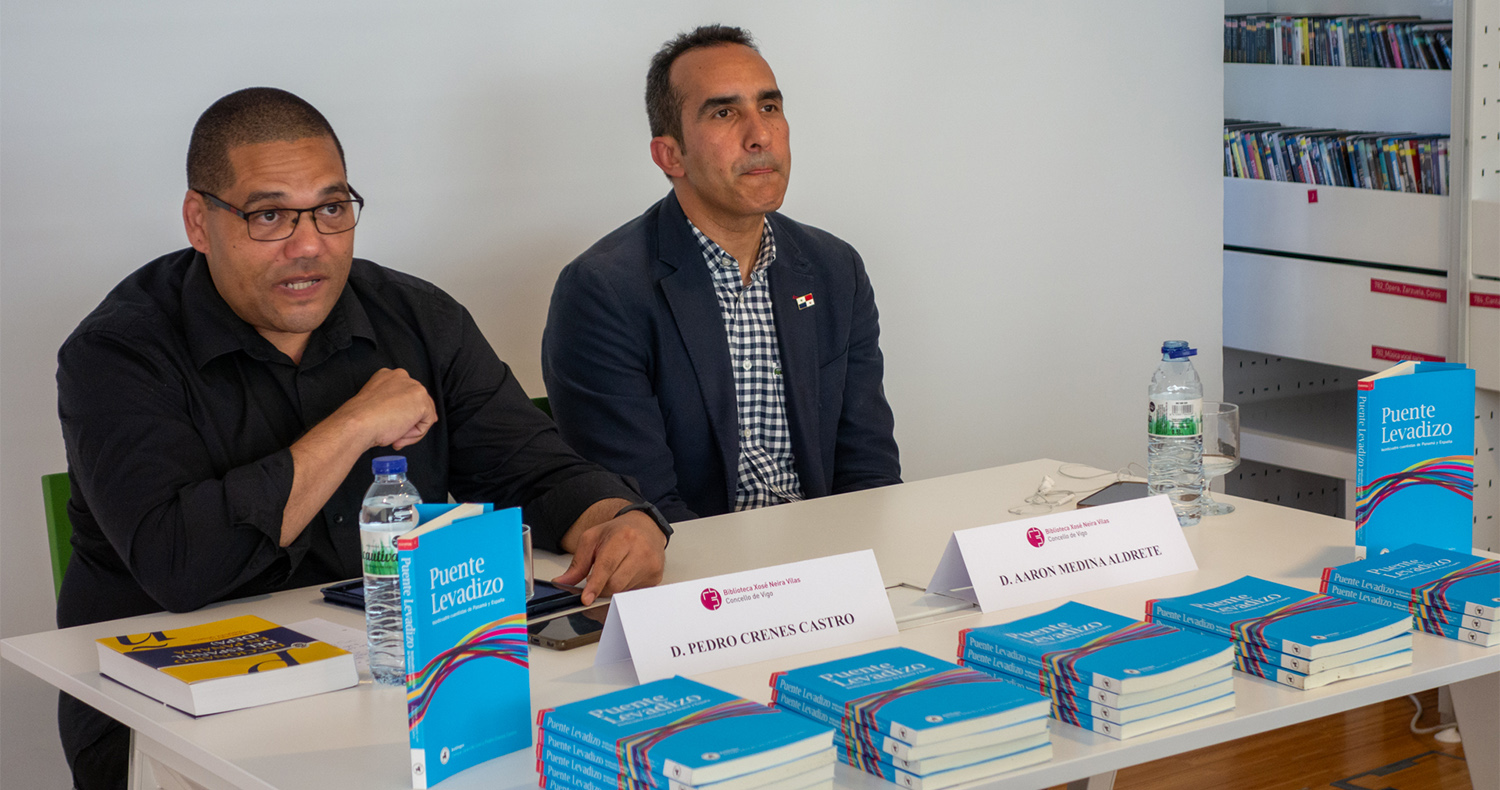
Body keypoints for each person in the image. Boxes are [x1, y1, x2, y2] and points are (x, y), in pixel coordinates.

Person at [54, 87, 670, 790]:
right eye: (269, 216)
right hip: (170, 712)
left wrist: (616, 517)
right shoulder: (116, 354)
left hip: (387, 682)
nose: (310, 244)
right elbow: (181, 567)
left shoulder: (418, 317)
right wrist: (353, 425)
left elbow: (530, 468)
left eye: (332, 208)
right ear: (200, 221)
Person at [542, 25, 901, 524]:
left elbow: (870, 472)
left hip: (829, 563)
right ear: (670, 155)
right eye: (725, 112)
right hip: (699, 575)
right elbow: (640, 509)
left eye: (770, 107)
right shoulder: (603, 291)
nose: (760, 135)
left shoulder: (835, 268)